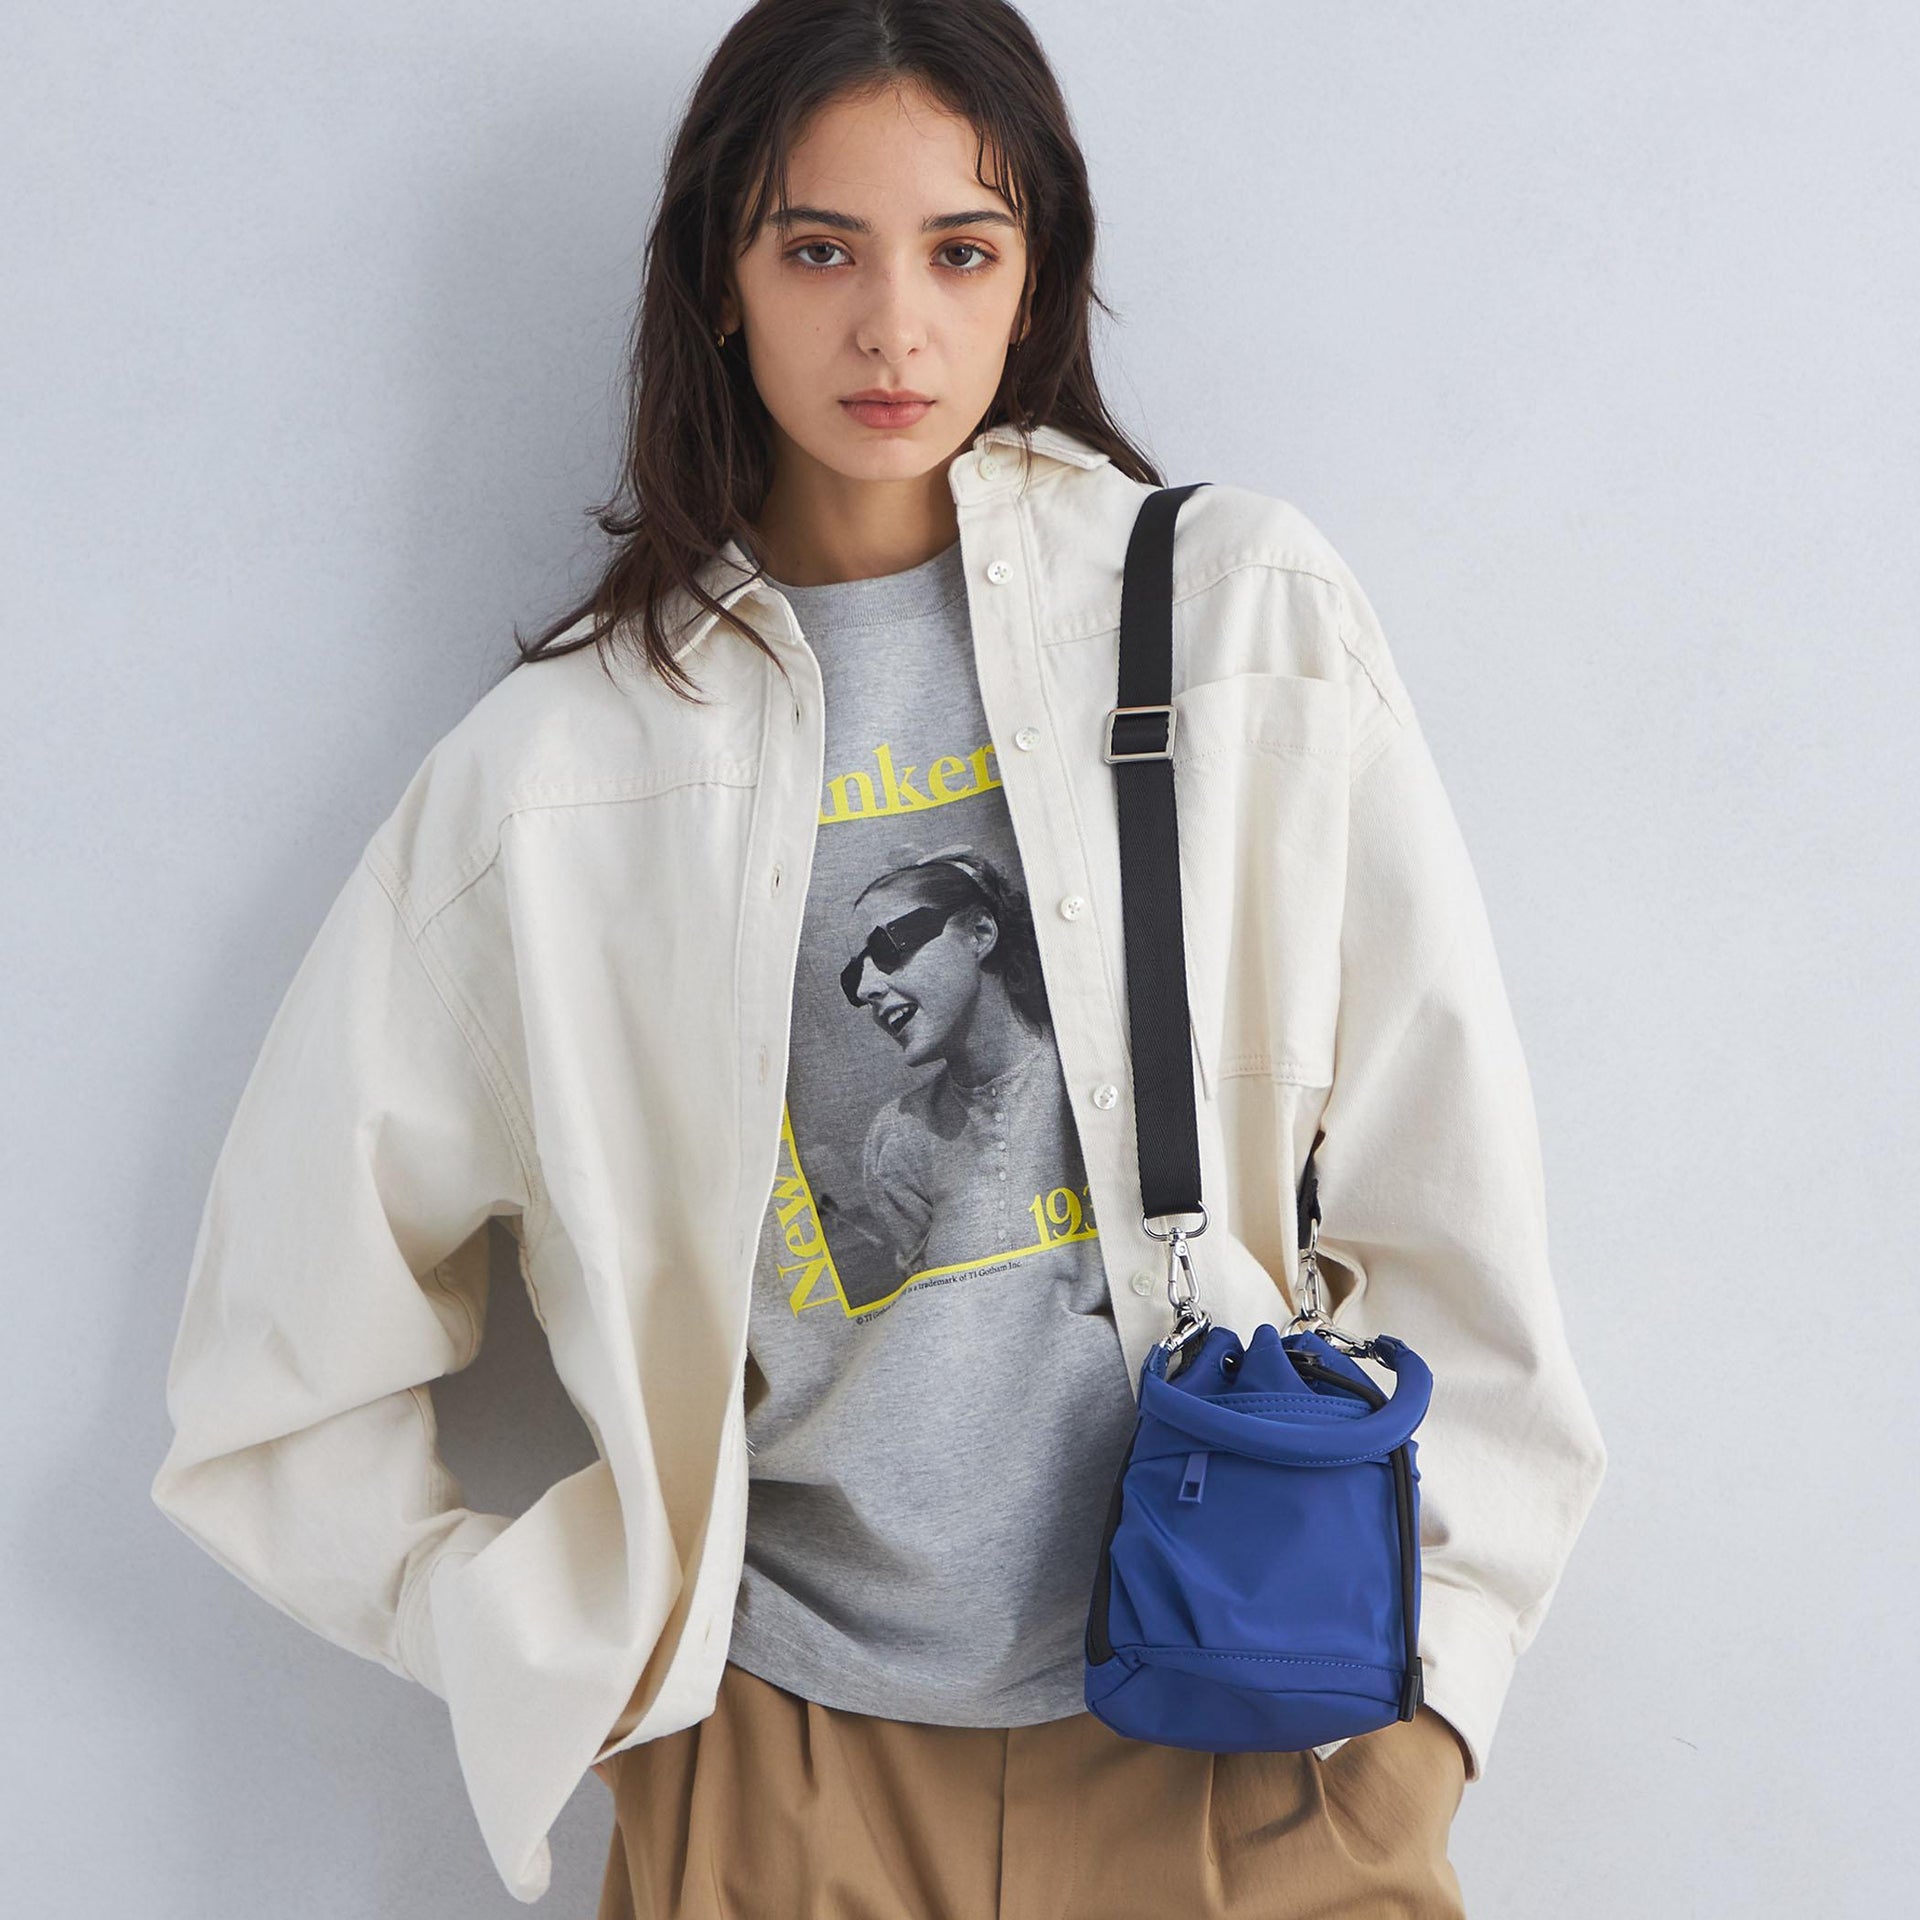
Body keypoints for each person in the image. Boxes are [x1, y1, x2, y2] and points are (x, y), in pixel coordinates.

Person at [150, 1, 1609, 1914]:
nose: (894, 329)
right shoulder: (564, 774)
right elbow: (275, 1371)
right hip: (782, 1773)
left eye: (961, 250)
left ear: (1037, 274)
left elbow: (1449, 1195)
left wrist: (1426, 1729)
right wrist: (567, 1663)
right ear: (721, 277)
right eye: (821, 248)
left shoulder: (1236, 623)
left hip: (1252, 1737)